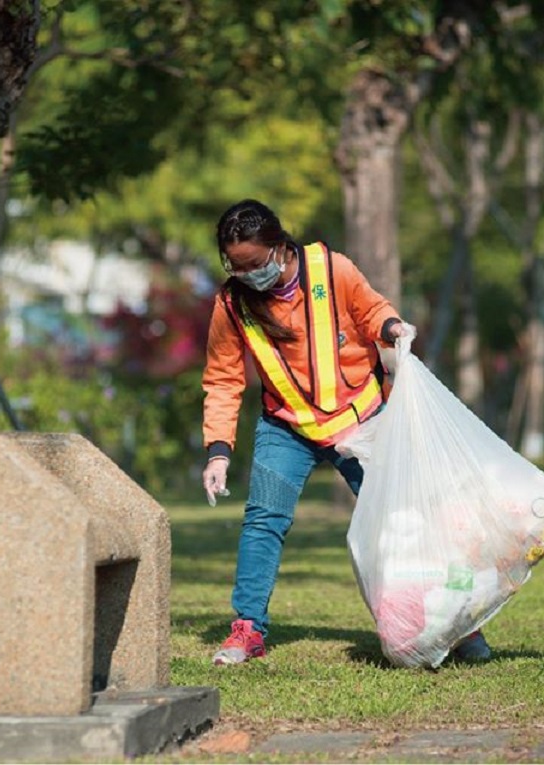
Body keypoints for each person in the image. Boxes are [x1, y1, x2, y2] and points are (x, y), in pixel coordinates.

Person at [200, 199, 491, 666]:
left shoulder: (331, 270)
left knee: (404, 522)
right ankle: (247, 628)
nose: (246, 274)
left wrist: (393, 327)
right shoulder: (232, 303)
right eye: (235, 267)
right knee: (263, 522)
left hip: (361, 418)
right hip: (287, 426)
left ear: (279, 248)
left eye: (253, 265)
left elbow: (371, 310)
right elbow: (222, 378)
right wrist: (218, 450)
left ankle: (460, 629)